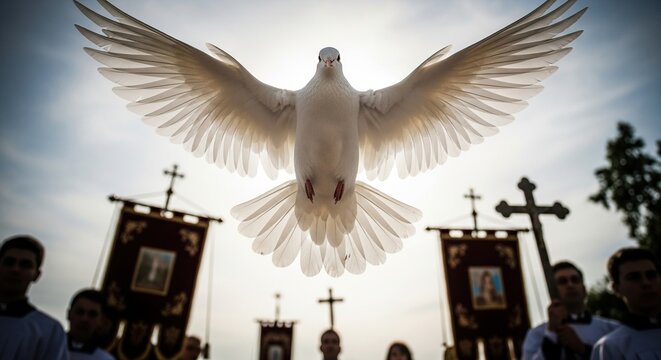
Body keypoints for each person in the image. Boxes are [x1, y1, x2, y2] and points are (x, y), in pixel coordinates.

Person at [522, 261, 619, 359]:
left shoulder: (612, 329)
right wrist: (551, 335)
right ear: (553, 291)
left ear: (584, 289)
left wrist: (582, 349)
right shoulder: (536, 334)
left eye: (575, 280)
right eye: (562, 281)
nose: (570, 285)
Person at [0, 235, 69, 359]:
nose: (15, 269)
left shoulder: (49, 331)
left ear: (36, 275)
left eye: (25, 265)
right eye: (9, 262)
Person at [591, 247, 661, 359]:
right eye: (634, 277)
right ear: (617, 288)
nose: (646, 283)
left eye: (651, 275)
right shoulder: (611, 347)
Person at [67, 288, 115, 359]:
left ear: (101, 320)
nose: (84, 319)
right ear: (68, 314)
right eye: (80, 312)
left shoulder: (104, 358)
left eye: (92, 314)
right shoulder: (48, 347)